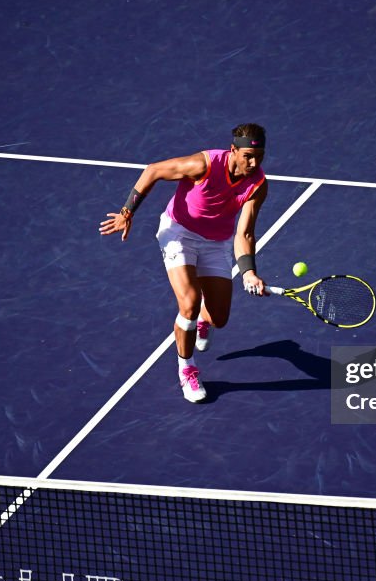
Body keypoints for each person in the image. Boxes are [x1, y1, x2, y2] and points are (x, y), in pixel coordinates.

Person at [99, 123, 269, 402]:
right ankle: (187, 369)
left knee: (219, 318)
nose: (253, 163)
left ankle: (204, 319)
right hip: (180, 233)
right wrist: (127, 212)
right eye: (248, 156)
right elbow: (153, 170)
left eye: (259, 156)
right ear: (233, 151)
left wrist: (249, 272)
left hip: (217, 242)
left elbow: (245, 232)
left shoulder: (258, 185)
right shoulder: (202, 164)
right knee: (189, 303)